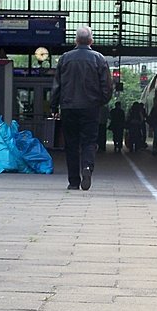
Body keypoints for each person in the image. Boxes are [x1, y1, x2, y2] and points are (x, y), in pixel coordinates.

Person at [50, 26, 112, 191]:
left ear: (76, 41)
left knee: (71, 144)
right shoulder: (99, 59)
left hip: (69, 107)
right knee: (89, 141)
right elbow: (107, 86)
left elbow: (57, 85)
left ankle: (73, 182)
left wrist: (54, 105)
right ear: (91, 41)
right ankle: (87, 168)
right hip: (91, 107)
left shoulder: (65, 59)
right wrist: (101, 101)